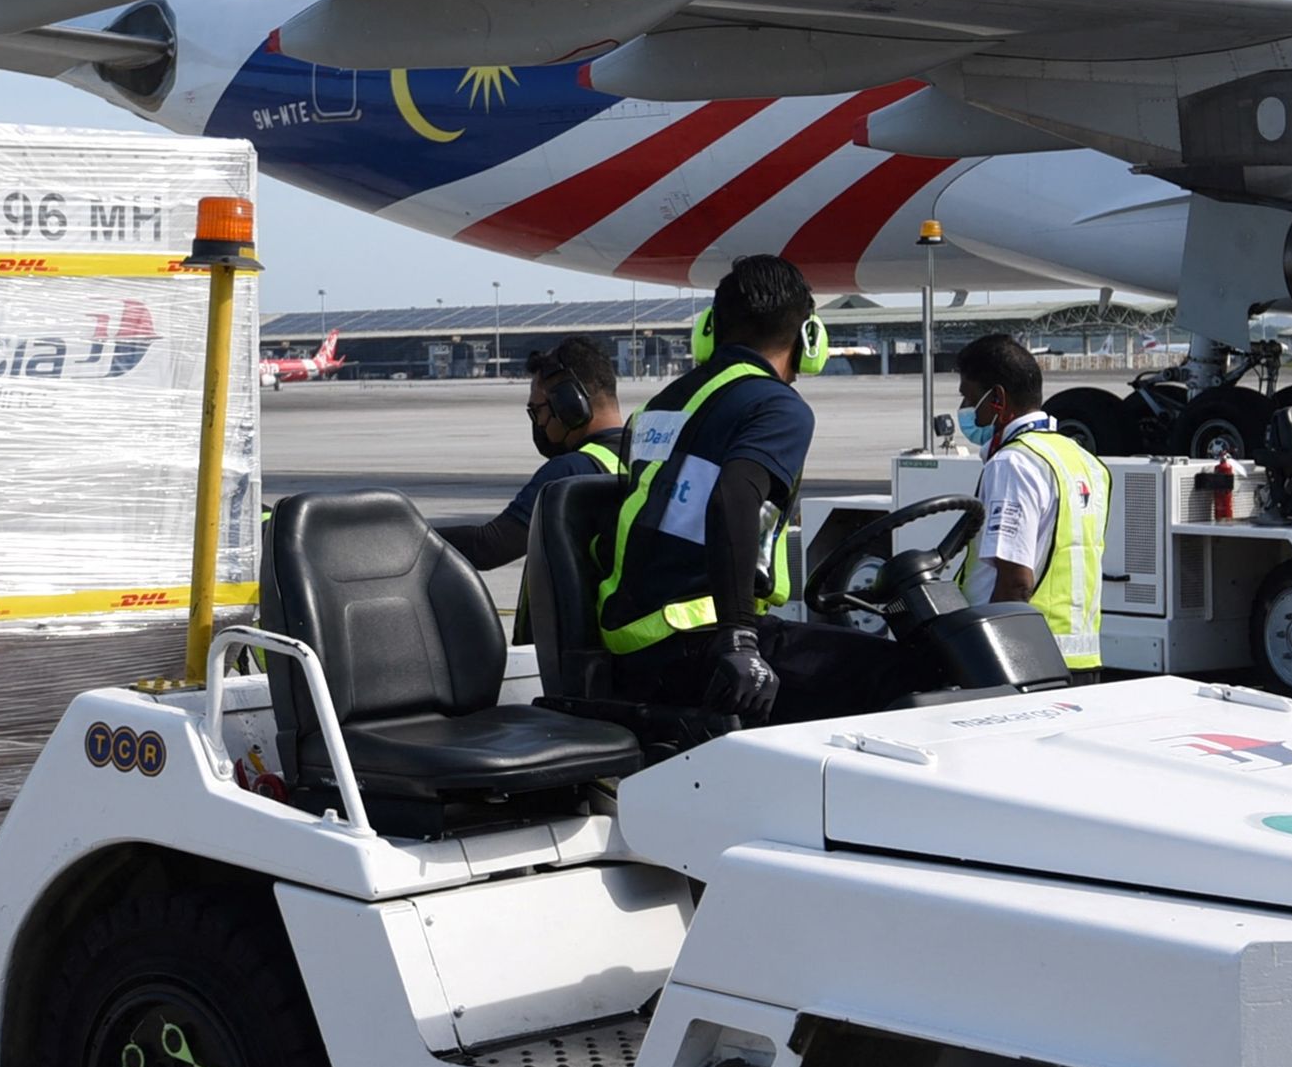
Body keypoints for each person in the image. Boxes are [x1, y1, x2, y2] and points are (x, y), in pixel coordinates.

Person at [596, 254, 909, 725]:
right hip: (700, 641)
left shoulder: (665, 403)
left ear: (709, 330)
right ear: (809, 338)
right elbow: (732, 500)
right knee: (910, 673)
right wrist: (739, 637)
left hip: (635, 642)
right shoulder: (777, 405)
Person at [439, 339, 629, 643]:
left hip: (577, 660)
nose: (538, 423)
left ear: (570, 404)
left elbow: (488, 547)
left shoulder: (570, 470)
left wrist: (405, 535)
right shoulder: (649, 456)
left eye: (537, 410)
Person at [953, 333, 1108, 669]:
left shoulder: (1014, 463)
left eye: (969, 397)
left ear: (997, 399)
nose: (966, 411)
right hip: (1079, 656)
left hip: (1026, 658)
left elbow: (1016, 582)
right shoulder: (1083, 460)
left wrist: (991, 656)